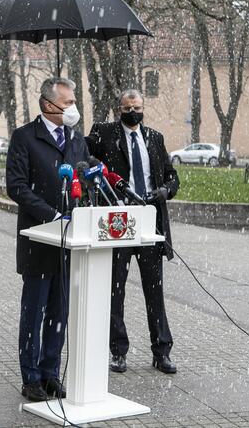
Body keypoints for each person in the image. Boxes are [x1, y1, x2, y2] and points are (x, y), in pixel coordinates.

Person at [6, 77, 90, 402]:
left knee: (59, 313)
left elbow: (82, 176)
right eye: (67, 104)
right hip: (39, 241)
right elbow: (17, 186)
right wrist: (52, 215)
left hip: (70, 243)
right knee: (35, 311)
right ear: (47, 105)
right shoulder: (25, 137)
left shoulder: (75, 139)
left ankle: (50, 373)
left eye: (73, 102)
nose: (73, 109)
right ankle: (31, 378)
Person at [85, 89, 180, 374]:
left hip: (149, 219)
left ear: (143, 108)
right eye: (127, 109)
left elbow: (172, 176)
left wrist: (164, 191)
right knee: (116, 289)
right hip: (119, 220)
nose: (132, 113)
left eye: (137, 108)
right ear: (119, 109)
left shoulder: (155, 137)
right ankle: (118, 351)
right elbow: (82, 154)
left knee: (155, 291)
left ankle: (161, 351)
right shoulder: (104, 133)